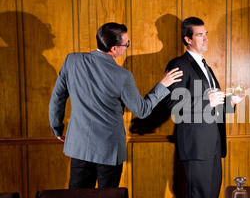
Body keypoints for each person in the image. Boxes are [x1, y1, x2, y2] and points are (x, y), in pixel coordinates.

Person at [49, 22, 183, 188]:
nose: (127, 46)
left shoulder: (72, 60)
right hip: (109, 150)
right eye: (126, 44)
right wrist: (162, 85)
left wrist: (56, 127)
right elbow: (142, 110)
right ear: (113, 49)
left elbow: (58, 96)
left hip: (79, 146)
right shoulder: (122, 76)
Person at [164, 17, 243, 198]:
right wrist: (208, 101)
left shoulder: (205, 66)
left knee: (211, 196)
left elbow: (212, 105)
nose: (205, 38)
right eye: (200, 35)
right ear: (187, 39)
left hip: (214, 143)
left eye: (206, 34)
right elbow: (173, 105)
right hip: (196, 145)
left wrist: (230, 103)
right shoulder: (179, 64)